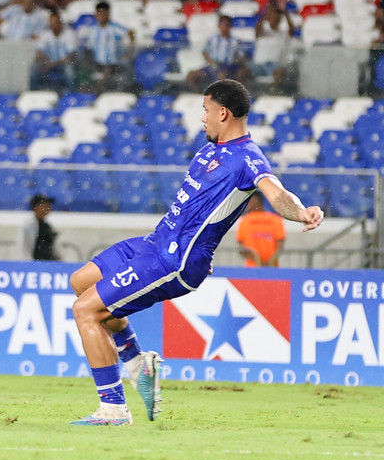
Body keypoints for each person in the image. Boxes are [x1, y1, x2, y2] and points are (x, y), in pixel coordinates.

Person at [70, 79, 324, 426]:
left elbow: (277, 193)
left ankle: (113, 410)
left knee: (86, 311)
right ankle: (137, 364)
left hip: (175, 261)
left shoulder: (248, 159)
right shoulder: (208, 150)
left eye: (205, 110)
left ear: (223, 112)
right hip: (154, 243)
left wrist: (302, 212)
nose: (202, 118)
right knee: (81, 282)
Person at [77, 0, 135, 93]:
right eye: (100, 13)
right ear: (96, 14)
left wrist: (128, 51)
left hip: (114, 63)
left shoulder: (116, 28)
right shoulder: (91, 30)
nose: (102, 15)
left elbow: (131, 33)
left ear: (108, 14)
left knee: (108, 69)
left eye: (105, 13)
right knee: (82, 66)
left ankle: (96, 89)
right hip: (97, 63)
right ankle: (83, 91)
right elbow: (85, 46)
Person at [186, 14, 250, 93]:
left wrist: (233, 61)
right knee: (191, 75)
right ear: (218, 26)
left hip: (228, 66)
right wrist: (211, 61)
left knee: (222, 75)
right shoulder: (212, 39)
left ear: (230, 26)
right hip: (212, 66)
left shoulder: (235, 41)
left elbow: (242, 56)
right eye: (222, 24)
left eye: (227, 24)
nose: (225, 27)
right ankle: (198, 96)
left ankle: (222, 99)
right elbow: (205, 52)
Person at [253, 0, 297, 94]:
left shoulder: (283, 34)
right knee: (242, 71)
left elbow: (292, 30)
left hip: (274, 65)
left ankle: (272, 93)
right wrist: (265, 14)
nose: (274, 20)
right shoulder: (263, 33)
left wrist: (285, 13)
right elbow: (257, 30)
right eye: (272, 18)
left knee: (279, 72)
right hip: (259, 65)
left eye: (276, 18)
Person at [31, 10, 79, 91]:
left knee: (69, 70)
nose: (53, 25)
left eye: (55, 23)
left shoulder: (69, 34)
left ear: (60, 23)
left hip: (63, 64)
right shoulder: (45, 34)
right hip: (48, 63)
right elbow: (39, 53)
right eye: (51, 23)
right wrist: (45, 61)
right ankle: (33, 93)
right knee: (34, 68)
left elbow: (70, 56)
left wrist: (54, 63)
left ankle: (71, 93)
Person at [236, 191, 286, 267]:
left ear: (256, 201)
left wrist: (258, 261)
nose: (247, 205)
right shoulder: (275, 220)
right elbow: (280, 248)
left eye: (249, 202)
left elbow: (241, 248)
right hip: (270, 269)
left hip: (254, 270)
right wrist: (269, 262)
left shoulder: (245, 221)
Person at [19, 194, 60, 261]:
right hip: (36, 264)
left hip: (49, 263)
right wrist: (29, 264)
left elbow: (54, 248)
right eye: (44, 205)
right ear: (36, 207)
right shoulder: (28, 225)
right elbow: (24, 247)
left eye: (49, 205)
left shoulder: (48, 226)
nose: (48, 207)